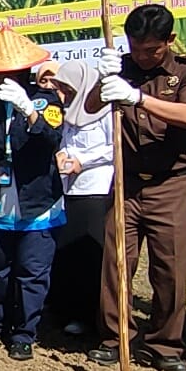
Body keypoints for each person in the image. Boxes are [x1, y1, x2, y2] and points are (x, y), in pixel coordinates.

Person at [85, 4, 186, 371]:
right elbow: (89, 107)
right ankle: (113, 338)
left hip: (173, 185)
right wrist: (103, 82)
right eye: (135, 48)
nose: (141, 55)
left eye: (150, 49)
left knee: (170, 269)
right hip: (127, 183)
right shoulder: (121, 67)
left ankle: (165, 345)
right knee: (116, 264)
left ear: (168, 41)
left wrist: (138, 99)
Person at [0, 27, 65, 360]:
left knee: (31, 272)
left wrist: (28, 111)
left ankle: (24, 332)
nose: (3, 77)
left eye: (9, 71)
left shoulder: (46, 99)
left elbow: (51, 140)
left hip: (37, 199)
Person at [48, 60, 113, 336]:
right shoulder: (67, 114)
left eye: (68, 89)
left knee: (90, 255)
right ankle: (66, 311)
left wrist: (83, 161)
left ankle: (90, 316)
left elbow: (114, 148)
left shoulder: (106, 112)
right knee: (68, 252)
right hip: (69, 191)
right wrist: (61, 154)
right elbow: (65, 144)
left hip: (96, 189)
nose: (63, 95)